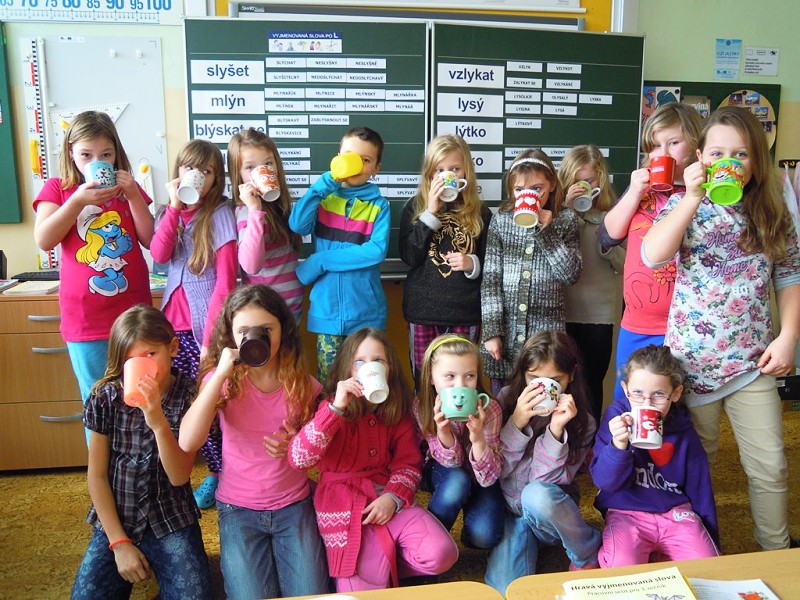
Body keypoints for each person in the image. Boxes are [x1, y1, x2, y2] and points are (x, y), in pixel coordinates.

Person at [643, 105, 800, 550]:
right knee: (697, 464)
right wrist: (692, 197)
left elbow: (789, 274)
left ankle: (775, 549)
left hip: (754, 362)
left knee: (770, 466)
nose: (729, 162)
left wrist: (788, 337)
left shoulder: (773, 209)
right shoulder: (682, 203)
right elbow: (653, 255)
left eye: (741, 154)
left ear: (756, 161)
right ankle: (695, 547)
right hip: (691, 366)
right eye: (717, 153)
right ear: (700, 156)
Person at [179, 284, 329, 599]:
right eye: (244, 331)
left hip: (293, 505)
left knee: (311, 594)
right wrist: (219, 374)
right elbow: (188, 441)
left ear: (283, 330)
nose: (256, 338)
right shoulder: (223, 382)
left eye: (266, 330)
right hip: (238, 508)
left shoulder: (302, 385)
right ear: (232, 336)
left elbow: (319, 450)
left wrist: (297, 444)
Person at [288, 328, 458, 592]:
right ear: (348, 369)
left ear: (389, 369)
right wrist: (335, 409)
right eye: (360, 362)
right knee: (361, 592)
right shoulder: (330, 408)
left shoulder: (396, 411)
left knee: (442, 552)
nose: (369, 367)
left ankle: (391, 561)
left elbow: (408, 464)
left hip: (386, 496)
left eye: (378, 361)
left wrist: (393, 497)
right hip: (343, 508)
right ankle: (376, 566)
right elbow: (299, 459)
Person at [71, 305, 211, 599]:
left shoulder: (190, 397)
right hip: (117, 518)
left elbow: (179, 476)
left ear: (172, 348)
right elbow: (97, 476)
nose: (142, 366)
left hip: (171, 518)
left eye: (150, 354)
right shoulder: (106, 396)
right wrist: (119, 543)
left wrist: (158, 422)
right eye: (130, 360)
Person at [33, 111, 153, 446]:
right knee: (97, 400)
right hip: (86, 319)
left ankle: (139, 469)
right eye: (86, 154)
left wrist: (133, 195)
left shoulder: (128, 190)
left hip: (134, 317)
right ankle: (102, 475)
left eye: (106, 154)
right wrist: (76, 201)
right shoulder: (58, 189)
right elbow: (44, 239)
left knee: (142, 394)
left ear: (116, 153)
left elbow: (150, 239)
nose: (97, 161)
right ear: (71, 152)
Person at [150, 139, 238, 509]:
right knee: (179, 403)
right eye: (189, 168)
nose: (196, 176)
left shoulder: (220, 214)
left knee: (211, 405)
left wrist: (210, 341)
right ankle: (180, 469)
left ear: (215, 179)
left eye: (206, 171)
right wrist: (174, 206)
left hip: (205, 332)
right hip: (172, 329)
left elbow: (226, 281)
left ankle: (219, 474)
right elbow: (159, 256)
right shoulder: (168, 213)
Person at [598, 103, 702, 402]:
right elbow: (607, 236)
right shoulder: (643, 191)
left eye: (673, 142)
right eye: (655, 146)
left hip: (686, 327)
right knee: (629, 403)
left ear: (695, 142)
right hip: (637, 324)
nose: (663, 153)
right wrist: (634, 191)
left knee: (678, 407)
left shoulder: (703, 194)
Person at [485, 331, 599, 595]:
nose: (543, 388)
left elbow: (543, 484)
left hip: (550, 512)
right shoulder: (505, 401)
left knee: (536, 495)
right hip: (511, 513)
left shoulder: (583, 423)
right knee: (504, 589)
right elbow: (496, 470)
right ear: (523, 374)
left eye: (555, 381)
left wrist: (556, 431)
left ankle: (587, 549)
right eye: (534, 379)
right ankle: (524, 540)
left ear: (571, 375)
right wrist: (516, 422)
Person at [590, 344, 719, 566]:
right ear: (626, 389)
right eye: (637, 393)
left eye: (658, 394)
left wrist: (712, 539)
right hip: (626, 512)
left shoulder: (684, 430)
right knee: (621, 567)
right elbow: (605, 482)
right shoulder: (615, 419)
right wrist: (618, 445)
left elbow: (701, 489)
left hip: (676, 514)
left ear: (675, 394)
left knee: (707, 566)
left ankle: (659, 554)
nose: (646, 404)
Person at [288, 126, 390, 382]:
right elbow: (298, 225)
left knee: (368, 381)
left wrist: (322, 260)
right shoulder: (324, 199)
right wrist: (324, 184)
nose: (356, 165)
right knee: (330, 382)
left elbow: (375, 251)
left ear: (376, 168)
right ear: (337, 158)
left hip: (366, 313)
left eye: (365, 160)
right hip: (327, 311)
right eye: (349, 157)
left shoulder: (379, 206)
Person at [481, 149, 582, 394]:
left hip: (546, 340)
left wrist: (546, 231)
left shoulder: (566, 220)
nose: (528, 195)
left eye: (537, 189)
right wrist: (492, 332)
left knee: (544, 398)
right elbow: (491, 281)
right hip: (505, 337)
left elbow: (570, 275)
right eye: (520, 190)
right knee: (504, 401)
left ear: (552, 185)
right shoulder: (501, 220)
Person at [399, 135, 492, 384]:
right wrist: (430, 212)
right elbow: (410, 256)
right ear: (430, 174)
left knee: (463, 380)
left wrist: (472, 263)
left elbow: (492, 264)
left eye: (455, 169)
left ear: (466, 172)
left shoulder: (481, 213)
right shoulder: (414, 208)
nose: (447, 175)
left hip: (465, 312)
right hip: (422, 311)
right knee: (424, 380)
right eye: (439, 170)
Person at [415, 334, 504, 549]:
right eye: (450, 376)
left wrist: (478, 439)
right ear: (431, 378)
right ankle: (428, 543)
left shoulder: (490, 409)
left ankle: (470, 531)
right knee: (457, 481)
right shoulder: (423, 406)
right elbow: (451, 464)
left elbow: (488, 478)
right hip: (444, 470)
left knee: (484, 536)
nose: (460, 385)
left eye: (469, 376)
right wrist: (443, 432)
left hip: (481, 474)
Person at [559, 144, 625, 421]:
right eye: (576, 182)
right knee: (563, 384)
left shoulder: (615, 215)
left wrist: (607, 245)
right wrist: (566, 210)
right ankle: (561, 440)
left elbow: (627, 265)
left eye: (589, 181)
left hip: (599, 315)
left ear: (601, 180)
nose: (583, 188)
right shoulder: (557, 215)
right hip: (560, 311)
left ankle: (591, 440)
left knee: (592, 384)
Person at [228, 128, 304, 323]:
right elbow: (251, 266)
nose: (262, 171)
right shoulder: (246, 212)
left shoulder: (281, 206)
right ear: (238, 174)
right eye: (250, 167)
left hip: (291, 308)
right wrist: (254, 210)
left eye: (268, 163)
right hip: (265, 312)